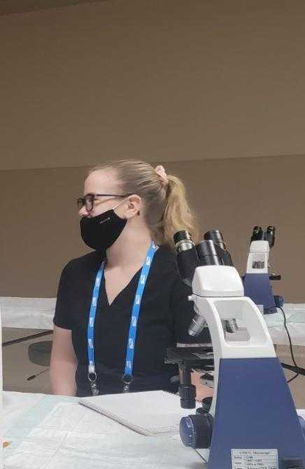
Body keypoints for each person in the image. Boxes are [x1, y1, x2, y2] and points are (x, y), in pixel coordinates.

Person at [50, 159, 202, 397]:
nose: (83, 211)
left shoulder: (183, 275)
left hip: (157, 423)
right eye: (83, 201)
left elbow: (200, 377)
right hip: (84, 417)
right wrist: (64, 416)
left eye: (92, 200)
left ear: (131, 205)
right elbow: (64, 360)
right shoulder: (76, 273)